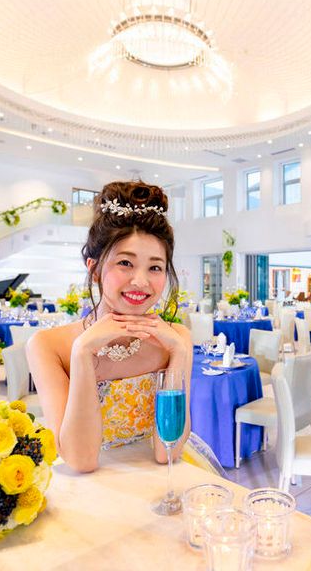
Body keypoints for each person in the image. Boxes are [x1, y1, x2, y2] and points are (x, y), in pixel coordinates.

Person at [27, 181, 192, 473]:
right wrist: (82, 352)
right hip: (89, 485)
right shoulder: (47, 346)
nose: (141, 281)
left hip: (159, 475)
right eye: (125, 263)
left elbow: (168, 451)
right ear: (94, 269)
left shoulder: (176, 338)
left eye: (155, 267)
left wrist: (178, 354)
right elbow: (81, 461)